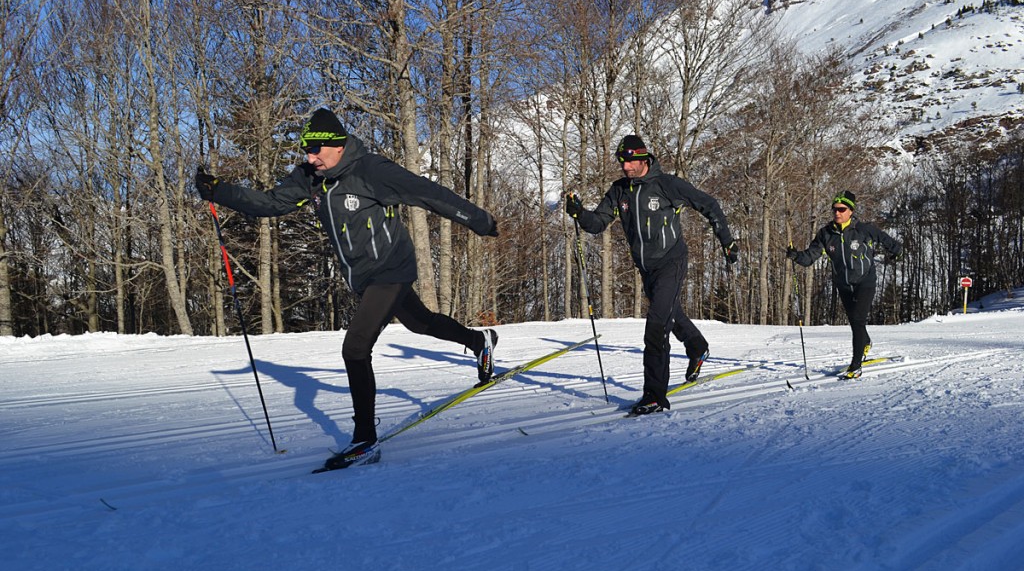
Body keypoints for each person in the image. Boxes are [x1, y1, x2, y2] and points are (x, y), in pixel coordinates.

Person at [195, 107, 499, 469]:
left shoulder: (372, 171)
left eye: (316, 151)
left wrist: (480, 221)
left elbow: (427, 193)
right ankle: (481, 342)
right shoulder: (311, 177)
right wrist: (222, 192)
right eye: (306, 151)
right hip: (362, 276)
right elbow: (272, 203)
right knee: (423, 323)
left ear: (338, 146)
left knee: (355, 349)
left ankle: (365, 440)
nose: (309, 158)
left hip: (392, 268)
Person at [565, 135, 739, 416]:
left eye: (631, 161)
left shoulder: (667, 184)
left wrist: (727, 241)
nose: (626, 167)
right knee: (671, 313)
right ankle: (698, 347)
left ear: (644, 158)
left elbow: (710, 205)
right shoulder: (619, 190)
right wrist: (579, 213)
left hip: (672, 261)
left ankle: (655, 396)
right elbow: (597, 224)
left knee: (657, 325)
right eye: (622, 162)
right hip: (646, 267)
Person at [787, 190, 902, 380]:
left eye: (842, 209)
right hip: (843, 284)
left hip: (865, 281)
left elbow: (886, 240)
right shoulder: (826, 234)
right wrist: (796, 256)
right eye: (835, 209)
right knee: (854, 322)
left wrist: (896, 251)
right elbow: (810, 257)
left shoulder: (863, 229)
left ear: (851, 211)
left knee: (858, 319)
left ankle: (856, 365)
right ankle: (865, 342)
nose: (837, 213)